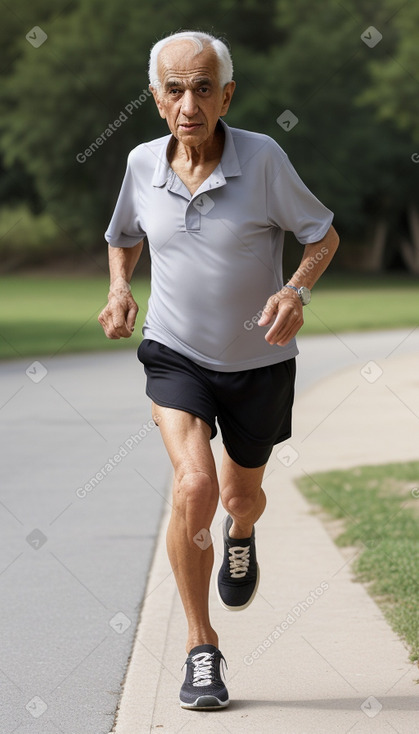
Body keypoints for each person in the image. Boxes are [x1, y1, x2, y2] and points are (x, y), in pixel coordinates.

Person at [98, 29, 339, 710]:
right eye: (173, 88)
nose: (188, 102)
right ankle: (200, 649)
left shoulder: (262, 160)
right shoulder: (142, 162)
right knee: (194, 485)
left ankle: (240, 534)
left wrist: (294, 289)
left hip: (258, 362)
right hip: (175, 354)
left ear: (226, 95)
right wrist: (120, 290)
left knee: (237, 499)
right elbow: (122, 237)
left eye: (203, 87)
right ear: (155, 97)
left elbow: (322, 235)